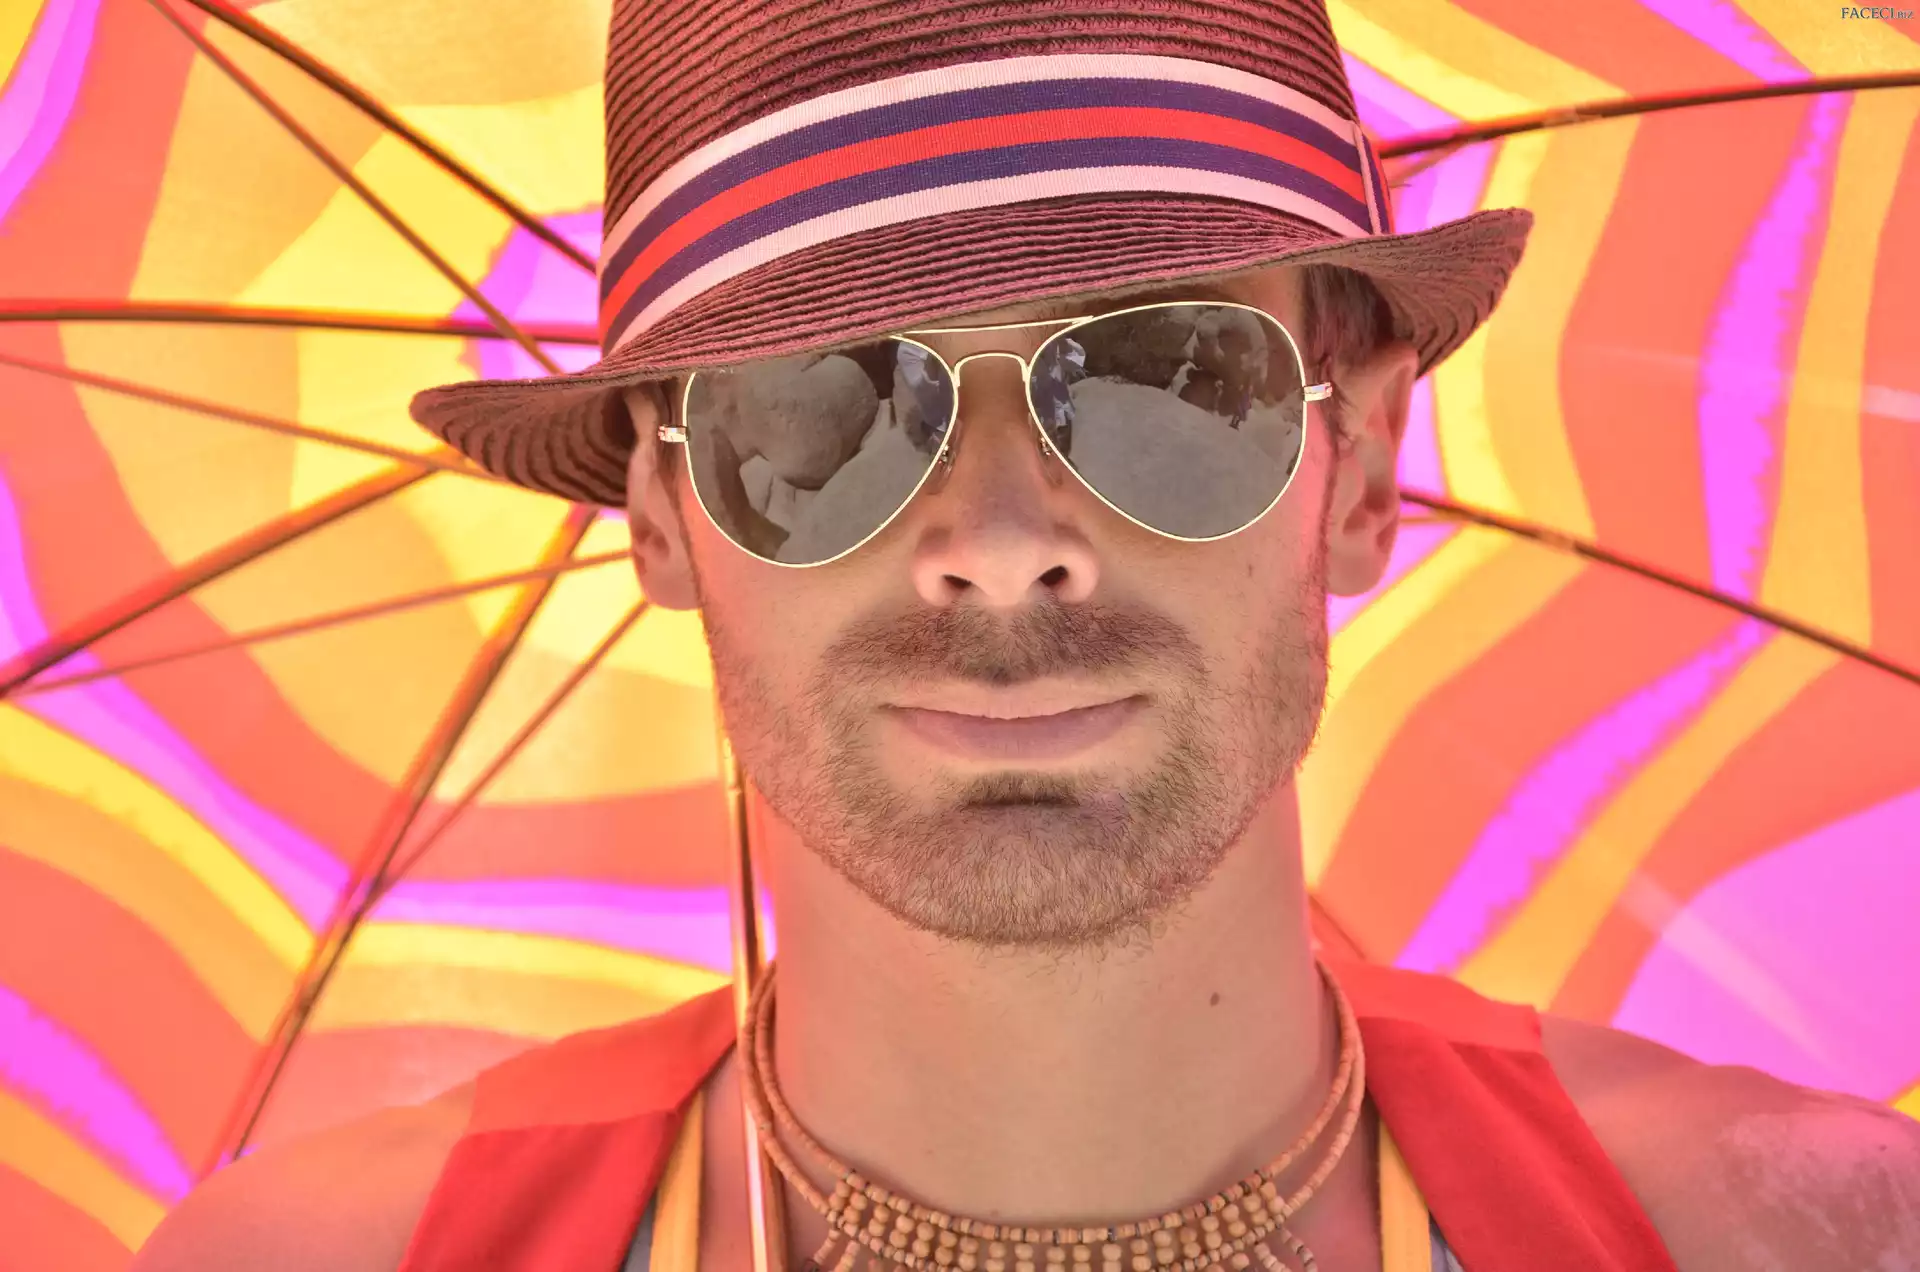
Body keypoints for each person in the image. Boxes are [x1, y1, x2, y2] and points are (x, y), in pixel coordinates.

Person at [131, 0, 1920, 1269]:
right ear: (668, 518)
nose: (997, 549)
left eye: (1163, 377)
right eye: (821, 410)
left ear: (1362, 467)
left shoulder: (1797, 1236)